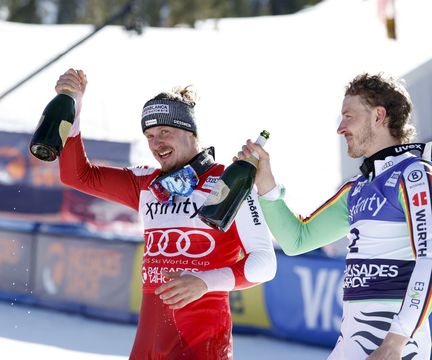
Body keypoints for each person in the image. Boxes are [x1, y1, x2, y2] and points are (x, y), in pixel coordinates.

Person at [55, 68, 277, 359]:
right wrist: (74, 104)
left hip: (201, 342)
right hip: (149, 343)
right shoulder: (148, 184)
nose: (156, 144)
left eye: (165, 132)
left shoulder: (229, 182)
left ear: (190, 132)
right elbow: (76, 174)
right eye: (149, 135)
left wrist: (203, 282)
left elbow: (265, 263)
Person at [239, 73, 432, 360]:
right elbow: (297, 240)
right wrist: (264, 181)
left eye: (348, 116)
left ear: (379, 116)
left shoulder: (413, 175)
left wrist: (396, 342)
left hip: (396, 347)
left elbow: (429, 260)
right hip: (351, 344)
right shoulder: (356, 188)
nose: (340, 128)